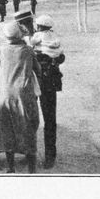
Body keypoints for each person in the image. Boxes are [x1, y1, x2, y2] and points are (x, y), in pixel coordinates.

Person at [0, 21, 40, 173]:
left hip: (5, 94)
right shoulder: (28, 50)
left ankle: (11, 168)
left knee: (7, 130)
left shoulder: (0, 50)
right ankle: (32, 169)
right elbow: (38, 68)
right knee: (29, 129)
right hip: (24, 95)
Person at [31, 15, 65, 169]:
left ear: (38, 26)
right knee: (50, 119)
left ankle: (29, 151)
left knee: (30, 118)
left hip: (36, 80)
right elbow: (61, 57)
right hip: (51, 82)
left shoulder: (36, 37)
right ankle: (50, 155)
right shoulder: (55, 38)